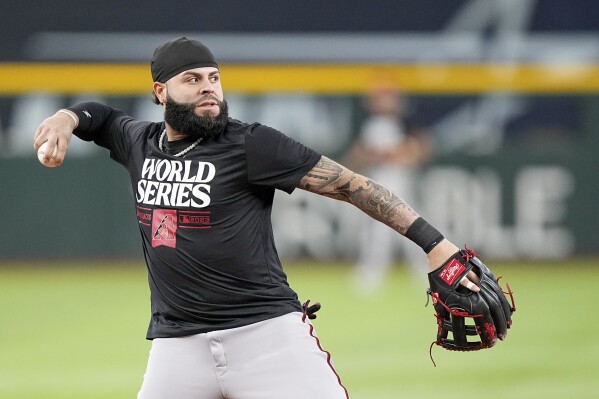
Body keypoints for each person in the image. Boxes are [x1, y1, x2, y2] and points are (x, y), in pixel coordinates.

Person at [34, 37, 480, 399]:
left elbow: (351, 185)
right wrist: (65, 117)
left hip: (265, 337)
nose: (209, 87)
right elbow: (101, 116)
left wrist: (435, 243)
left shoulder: (251, 144)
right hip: (177, 346)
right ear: (160, 92)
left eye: (214, 78)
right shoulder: (140, 143)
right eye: (192, 79)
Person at [345, 84, 433, 292]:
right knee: (379, 230)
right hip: (378, 178)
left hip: (398, 179)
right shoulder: (372, 123)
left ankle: (423, 271)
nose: (382, 102)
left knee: (409, 227)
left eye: (387, 98)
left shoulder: (404, 122)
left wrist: (400, 154)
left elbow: (422, 147)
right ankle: (372, 273)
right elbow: (361, 154)